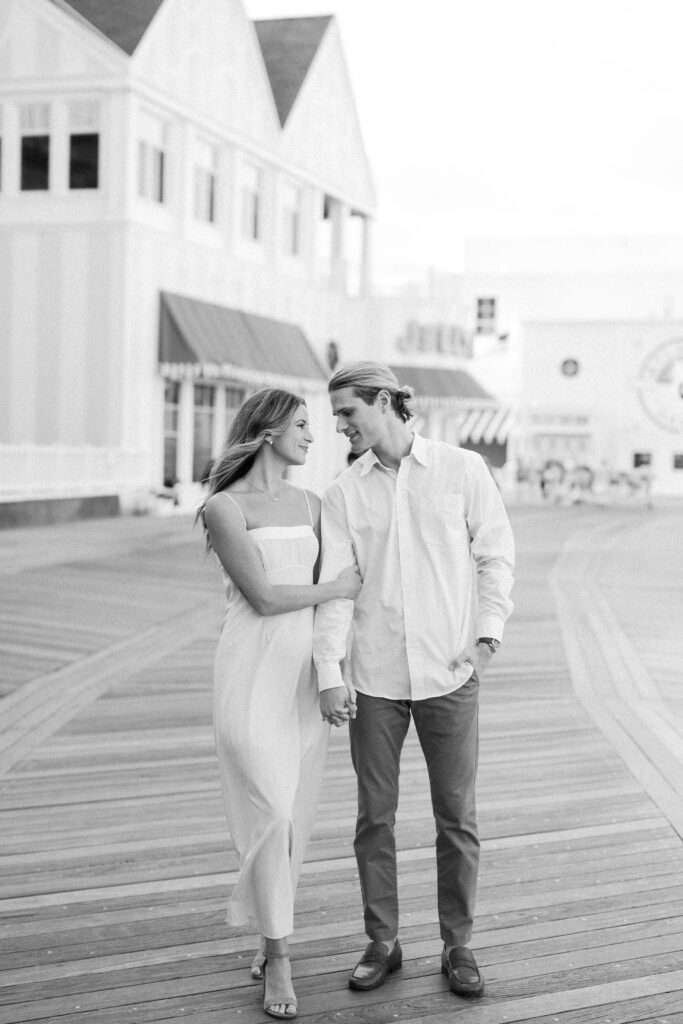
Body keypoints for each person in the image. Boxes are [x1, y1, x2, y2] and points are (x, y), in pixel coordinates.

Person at [313, 362, 515, 999]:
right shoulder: (344, 493)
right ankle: (384, 940)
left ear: (383, 402)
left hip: (450, 674)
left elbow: (496, 552)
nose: (339, 425)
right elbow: (340, 593)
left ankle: (458, 945)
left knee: (456, 816)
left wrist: (486, 634)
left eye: (348, 411)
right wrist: (327, 672)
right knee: (374, 817)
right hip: (373, 678)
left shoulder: (462, 469)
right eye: (336, 414)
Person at [197, 388, 361, 1020]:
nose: (311, 437)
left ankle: (273, 939)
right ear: (266, 431)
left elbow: (333, 607)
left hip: (302, 676)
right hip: (249, 670)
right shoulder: (224, 508)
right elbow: (264, 598)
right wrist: (335, 583)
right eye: (300, 425)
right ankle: (281, 960)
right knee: (270, 808)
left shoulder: (313, 503)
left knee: (293, 815)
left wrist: (332, 672)